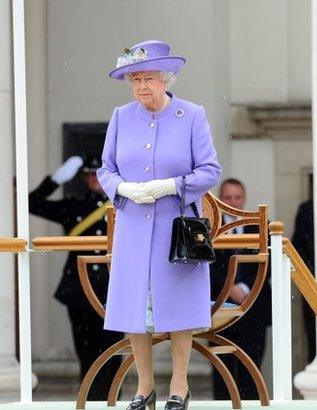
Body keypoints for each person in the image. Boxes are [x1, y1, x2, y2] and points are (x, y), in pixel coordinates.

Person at [97, 40, 222, 410]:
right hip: (133, 227)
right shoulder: (121, 116)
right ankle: (144, 385)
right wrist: (123, 188)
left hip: (177, 228)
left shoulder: (192, 115)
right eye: (134, 79)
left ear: (165, 79)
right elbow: (105, 168)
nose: (141, 87)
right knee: (135, 307)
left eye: (148, 78)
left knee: (179, 306)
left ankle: (179, 385)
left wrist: (173, 185)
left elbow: (210, 170)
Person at [29, 155, 124, 400]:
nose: (94, 178)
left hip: (113, 290)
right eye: (90, 174)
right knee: (87, 354)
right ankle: (90, 402)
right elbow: (32, 203)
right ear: (83, 177)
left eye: (98, 173)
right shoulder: (74, 206)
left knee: (114, 353)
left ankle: (113, 401)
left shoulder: (122, 205)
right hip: (80, 291)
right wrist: (56, 179)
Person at [210, 178, 271, 400]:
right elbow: (205, 267)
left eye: (237, 197)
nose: (233, 202)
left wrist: (245, 287)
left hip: (252, 309)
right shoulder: (209, 225)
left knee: (251, 368)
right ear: (220, 199)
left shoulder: (260, 225)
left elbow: (266, 263)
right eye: (228, 197)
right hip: (219, 309)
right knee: (221, 370)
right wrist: (228, 289)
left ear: (244, 199)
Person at [291, 198, 316, 363]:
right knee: (313, 334)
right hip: (312, 284)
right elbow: (297, 247)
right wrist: (311, 273)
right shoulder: (307, 208)